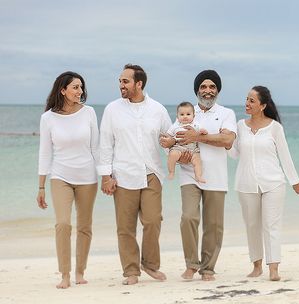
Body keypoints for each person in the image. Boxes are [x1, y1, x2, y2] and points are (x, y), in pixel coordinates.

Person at [97, 64, 172, 285]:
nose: (121, 85)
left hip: (151, 173)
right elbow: (105, 144)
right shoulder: (112, 109)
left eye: (125, 81)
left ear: (139, 84)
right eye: (120, 81)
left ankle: (149, 264)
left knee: (152, 221)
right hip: (122, 175)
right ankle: (131, 270)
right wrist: (106, 176)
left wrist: (177, 151)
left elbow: (168, 139)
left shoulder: (157, 109)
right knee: (125, 227)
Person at [160, 69, 237, 281]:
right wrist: (177, 152)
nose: (208, 90)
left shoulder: (226, 113)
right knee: (188, 218)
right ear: (197, 91)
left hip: (217, 176)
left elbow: (228, 141)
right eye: (203, 86)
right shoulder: (186, 111)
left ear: (218, 90)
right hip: (189, 175)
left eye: (212, 86)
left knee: (213, 225)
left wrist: (198, 138)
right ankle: (191, 264)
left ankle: (208, 268)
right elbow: (169, 139)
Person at [228, 86, 299, 281]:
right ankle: (257, 265)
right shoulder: (240, 126)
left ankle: (274, 268)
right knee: (252, 225)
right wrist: (224, 141)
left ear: (262, 105)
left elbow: (285, 156)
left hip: (273, 183)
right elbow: (235, 154)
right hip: (245, 184)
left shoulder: (275, 127)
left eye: (252, 100)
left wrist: (295, 181)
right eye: (246, 99)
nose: (247, 103)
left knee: (272, 225)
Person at [37, 71, 99, 289]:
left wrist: (107, 175)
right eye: (75, 87)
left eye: (81, 87)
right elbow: (45, 153)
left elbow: (95, 148)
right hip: (60, 176)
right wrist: (41, 185)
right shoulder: (48, 118)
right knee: (63, 224)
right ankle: (65, 274)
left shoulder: (89, 113)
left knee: (84, 226)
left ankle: (80, 272)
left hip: (88, 177)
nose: (79, 91)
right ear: (62, 90)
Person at [166, 101, 206, 183]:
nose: (185, 117)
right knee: (172, 155)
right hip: (179, 147)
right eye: (182, 114)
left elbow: (201, 131)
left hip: (193, 149)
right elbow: (168, 134)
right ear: (177, 116)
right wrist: (166, 138)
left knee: (197, 161)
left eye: (188, 114)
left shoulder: (196, 125)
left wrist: (203, 131)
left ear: (193, 116)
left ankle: (198, 176)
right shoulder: (175, 125)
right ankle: (171, 172)